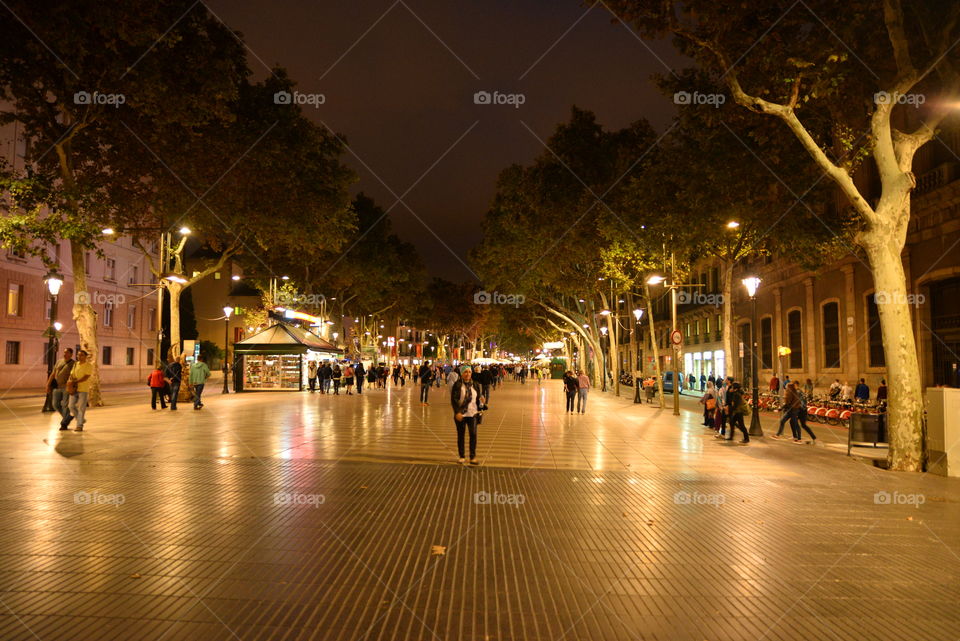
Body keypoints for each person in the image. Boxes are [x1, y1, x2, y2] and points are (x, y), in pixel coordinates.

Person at [451, 364, 485, 465]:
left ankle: (472, 457)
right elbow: (454, 400)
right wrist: (457, 412)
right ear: (461, 374)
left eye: (469, 372)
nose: (468, 374)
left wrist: (482, 402)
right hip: (461, 414)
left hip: (473, 413)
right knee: (461, 435)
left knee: (473, 435)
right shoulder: (457, 385)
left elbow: (478, 398)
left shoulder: (475, 384)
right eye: (465, 372)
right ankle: (462, 456)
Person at [61, 350, 93, 432]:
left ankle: (79, 425)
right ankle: (81, 420)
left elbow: (86, 377)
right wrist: (70, 382)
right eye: (78, 355)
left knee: (81, 408)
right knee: (71, 406)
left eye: (81, 355)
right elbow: (72, 374)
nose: (79, 356)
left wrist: (76, 381)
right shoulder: (76, 364)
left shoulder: (88, 365)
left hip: (83, 389)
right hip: (74, 388)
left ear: (86, 356)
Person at [46, 347, 75, 420]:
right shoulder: (59, 362)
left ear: (71, 354)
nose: (65, 354)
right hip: (57, 386)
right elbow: (53, 373)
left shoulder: (73, 364)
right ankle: (67, 417)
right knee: (55, 404)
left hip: (66, 387)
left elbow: (74, 376)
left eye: (67, 353)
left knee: (65, 405)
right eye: (64, 352)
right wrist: (48, 385)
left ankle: (64, 422)